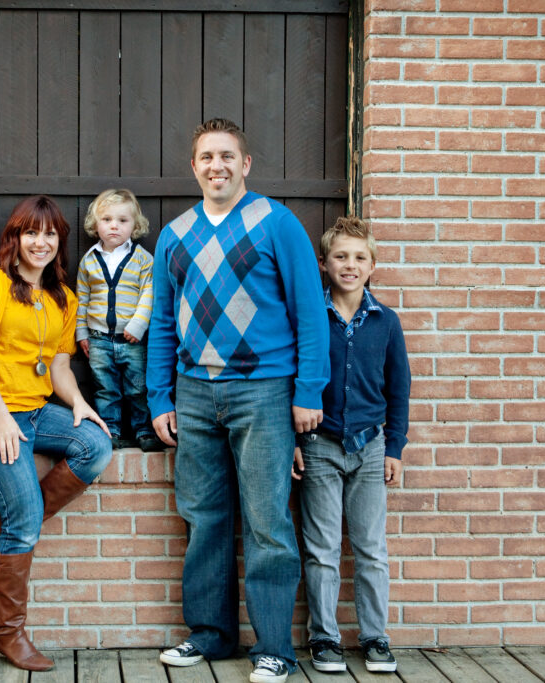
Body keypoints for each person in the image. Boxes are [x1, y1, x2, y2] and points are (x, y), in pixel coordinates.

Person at [147, 118, 330, 683]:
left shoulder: (277, 224)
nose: (216, 166)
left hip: (264, 392)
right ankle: (210, 632)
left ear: (245, 165)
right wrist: (159, 397)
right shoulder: (174, 234)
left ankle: (274, 646)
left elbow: (309, 313)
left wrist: (307, 392)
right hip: (194, 393)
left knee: (268, 522)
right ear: (194, 166)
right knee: (203, 518)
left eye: (227, 156)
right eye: (206, 157)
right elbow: (160, 323)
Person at [0, 195, 113, 672]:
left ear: (58, 241)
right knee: (26, 519)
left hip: (38, 411)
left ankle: (8, 528)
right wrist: (0, 416)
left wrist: (81, 404)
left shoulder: (62, 297)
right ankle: (9, 636)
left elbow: (61, 366)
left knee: (96, 445)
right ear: (15, 237)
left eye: (49, 234)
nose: (40, 242)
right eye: (31, 233)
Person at [300, 216, 410, 674]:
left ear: (372, 266)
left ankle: (375, 637)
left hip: (369, 446)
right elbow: (294, 382)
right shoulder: (310, 317)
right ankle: (324, 638)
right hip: (320, 445)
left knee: (370, 547)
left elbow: (399, 389)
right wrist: (294, 441)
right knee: (322, 547)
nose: (350, 265)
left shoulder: (386, 322)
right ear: (324, 263)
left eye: (359, 257)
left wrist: (394, 448)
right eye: (341, 256)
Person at [75, 188, 162, 451]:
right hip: (99, 340)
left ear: (134, 225)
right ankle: (110, 429)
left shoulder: (143, 260)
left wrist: (138, 325)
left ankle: (143, 429)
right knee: (105, 388)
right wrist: (82, 333)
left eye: (123, 220)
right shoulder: (89, 261)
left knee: (137, 388)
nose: (115, 226)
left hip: (132, 339)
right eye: (107, 220)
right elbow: (83, 299)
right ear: (95, 224)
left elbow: (150, 293)